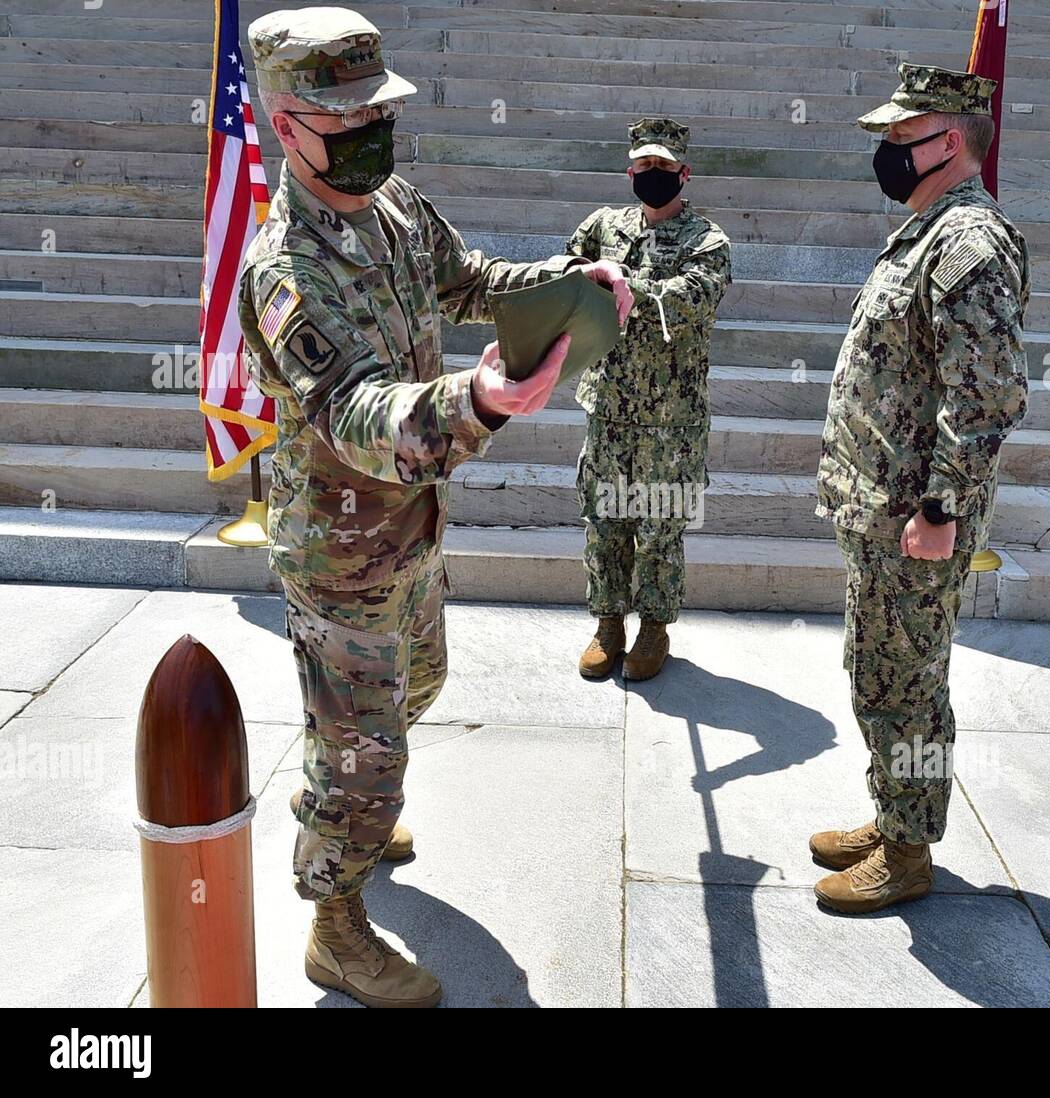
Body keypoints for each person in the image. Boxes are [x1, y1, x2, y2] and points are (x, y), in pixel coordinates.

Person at [238, 7, 631, 1007]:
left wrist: (562, 289)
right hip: (342, 550)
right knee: (372, 761)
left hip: (409, 529)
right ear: (287, 127)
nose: (372, 130)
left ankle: (340, 772)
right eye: (347, 117)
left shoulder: (392, 204)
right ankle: (335, 920)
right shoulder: (285, 268)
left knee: (414, 693)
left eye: (380, 110)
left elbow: (466, 280)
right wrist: (480, 400)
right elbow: (355, 411)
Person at [810, 64, 1031, 914]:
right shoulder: (929, 231)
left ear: (952, 142)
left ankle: (908, 852)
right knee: (882, 670)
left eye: (903, 138)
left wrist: (941, 510)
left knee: (903, 681)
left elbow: (989, 394)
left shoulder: (967, 242)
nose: (889, 152)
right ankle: (894, 811)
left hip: (915, 515)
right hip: (883, 506)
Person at [566, 117, 732, 682]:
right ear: (629, 170)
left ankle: (654, 628)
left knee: (660, 527)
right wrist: (584, 272)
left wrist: (624, 284)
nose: (654, 175)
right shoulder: (602, 226)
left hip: (671, 418)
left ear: (685, 173)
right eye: (645, 166)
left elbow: (690, 302)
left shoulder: (708, 241)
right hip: (609, 405)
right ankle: (608, 623)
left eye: (665, 168)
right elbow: (565, 274)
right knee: (605, 520)